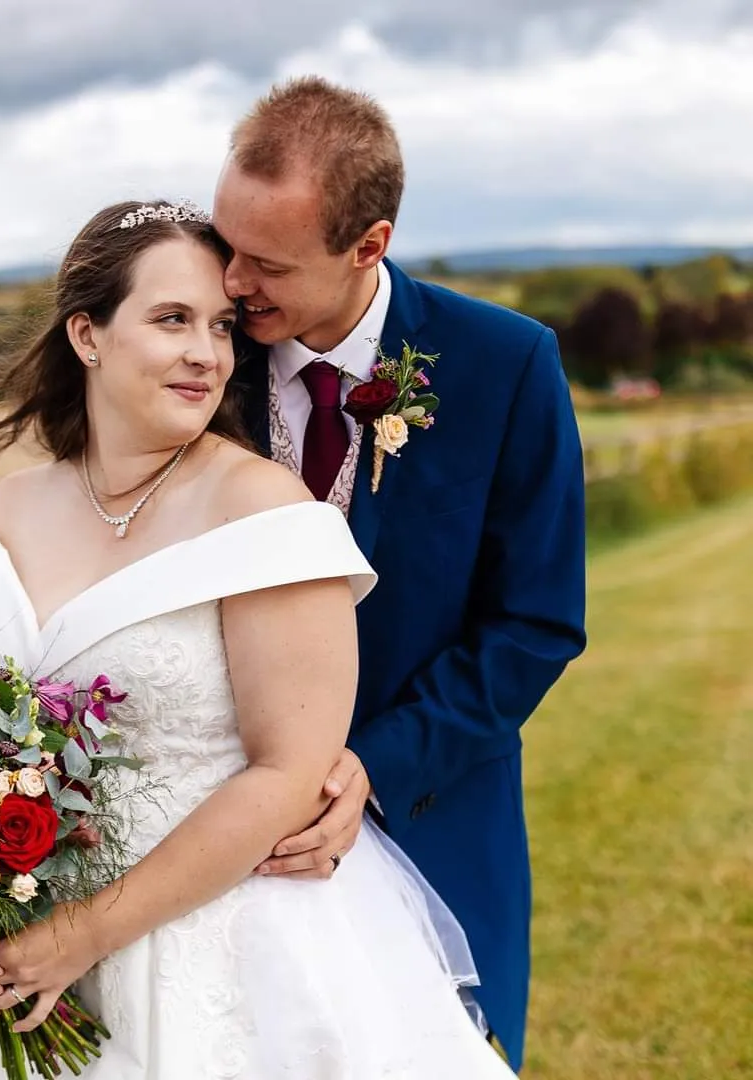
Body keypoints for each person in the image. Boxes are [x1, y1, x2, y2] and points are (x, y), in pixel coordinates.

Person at [0, 198, 515, 1078]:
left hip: (234, 935)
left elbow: (289, 772)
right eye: (172, 319)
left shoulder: (263, 512)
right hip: (27, 936)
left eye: (221, 326)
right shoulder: (5, 515)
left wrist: (83, 937)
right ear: (88, 335)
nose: (207, 354)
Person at [215, 77, 588, 1069]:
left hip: (432, 819)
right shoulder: (198, 364)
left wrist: (373, 767)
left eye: (268, 262)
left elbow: (534, 624)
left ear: (367, 245)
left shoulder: (506, 365)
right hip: (218, 827)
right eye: (226, 245)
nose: (232, 283)